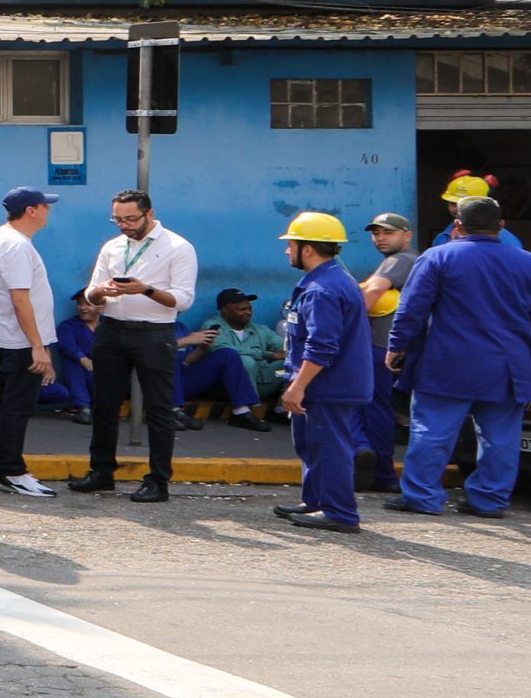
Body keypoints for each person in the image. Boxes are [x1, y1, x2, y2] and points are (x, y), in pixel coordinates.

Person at [385, 195, 531, 520]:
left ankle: (422, 496)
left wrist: (397, 345)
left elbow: (412, 309)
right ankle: (490, 501)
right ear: (501, 226)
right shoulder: (530, 262)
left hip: (448, 363)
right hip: (508, 366)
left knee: (433, 431)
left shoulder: (438, 257)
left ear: (457, 225)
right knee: (500, 437)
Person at [66, 189, 199, 503]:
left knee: (159, 409)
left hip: (154, 333)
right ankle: (101, 472)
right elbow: (91, 295)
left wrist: (145, 289)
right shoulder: (112, 246)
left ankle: (157, 480)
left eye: (131, 219)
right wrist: (100, 291)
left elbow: (183, 299)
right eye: (118, 219)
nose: (124, 225)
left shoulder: (178, 247)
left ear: (149, 214)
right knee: (104, 405)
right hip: (112, 330)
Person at [269, 214, 375, 534]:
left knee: (329, 447)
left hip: (327, 385)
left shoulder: (323, 289)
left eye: (291, 245)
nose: (288, 251)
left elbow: (321, 346)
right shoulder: (331, 280)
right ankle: (316, 501)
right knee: (313, 444)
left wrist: (297, 386)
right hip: (327, 383)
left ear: (309, 249)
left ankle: (340, 512)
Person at [0, 187, 61, 498]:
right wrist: (38, 346)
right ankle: (12, 470)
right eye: (45, 206)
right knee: (16, 407)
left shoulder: (5, 239)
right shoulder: (15, 245)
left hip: (9, 338)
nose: (48, 211)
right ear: (31, 210)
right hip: (20, 340)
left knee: (4, 405)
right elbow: (19, 297)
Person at [354, 213, 417, 493]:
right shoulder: (409, 261)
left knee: (371, 406)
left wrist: (344, 323)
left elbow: (375, 290)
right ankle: (379, 469)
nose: (380, 238)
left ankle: (380, 469)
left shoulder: (400, 260)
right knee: (379, 407)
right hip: (390, 347)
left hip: (379, 346)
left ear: (407, 235)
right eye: (376, 233)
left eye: (388, 233)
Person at [174, 289, 285, 427]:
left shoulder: (180, 328)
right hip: (161, 385)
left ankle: (243, 411)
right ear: (225, 310)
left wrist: (202, 348)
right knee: (242, 359)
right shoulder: (151, 329)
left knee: (228, 354)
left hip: (185, 382)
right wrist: (184, 342)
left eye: (249, 308)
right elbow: (154, 352)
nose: (248, 312)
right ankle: (173, 411)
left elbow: (186, 362)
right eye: (241, 309)